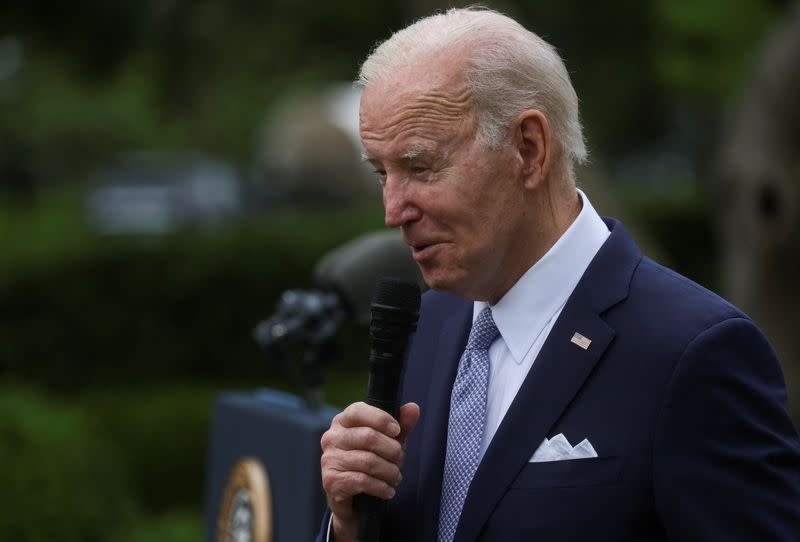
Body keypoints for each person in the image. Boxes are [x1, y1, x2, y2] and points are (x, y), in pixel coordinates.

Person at [316, 7, 800, 541]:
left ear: (529, 149)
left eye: (420, 167)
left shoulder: (694, 351)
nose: (392, 210)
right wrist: (350, 525)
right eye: (383, 174)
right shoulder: (425, 326)